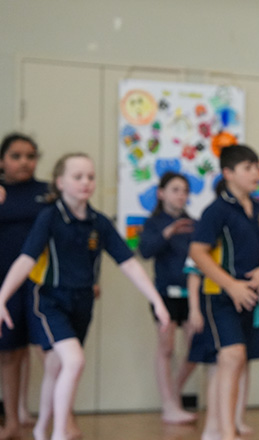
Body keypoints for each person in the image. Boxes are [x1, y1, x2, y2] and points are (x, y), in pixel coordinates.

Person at [0, 152, 170, 440]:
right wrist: (2, 297)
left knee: (56, 366)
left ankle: (42, 429)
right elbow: (26, 259)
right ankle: (60, 433)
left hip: (82, 301)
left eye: (90, 177)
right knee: (74, 361)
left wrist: (155, 298)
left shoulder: (98, 222)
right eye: (77, 177)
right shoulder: (49, 217)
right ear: (60, 182)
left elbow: (128, 263)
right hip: (49, 300)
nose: (85, 182)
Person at [188, 144, 259, 440]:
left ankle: (221, 427)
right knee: (231, 355)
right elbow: (198, 253)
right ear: (228, 173)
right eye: (248, 168)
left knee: (238, 359)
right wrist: (231, 285)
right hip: (220, 296)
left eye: (257, 166)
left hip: (251, 297)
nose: (256, 173)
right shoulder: (216, 210)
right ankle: (226, 432)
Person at [138, 171, 198, 424]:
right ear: (161, 194)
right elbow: (145, 250)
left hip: (190, 296)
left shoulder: (194, 224)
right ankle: (168, 404)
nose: (181, 195)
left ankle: (173, 391)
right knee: (167, 347)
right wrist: (168, 231)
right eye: (175, 189)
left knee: (196, 347)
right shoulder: (154, 224)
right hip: (164, 295)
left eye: (185, 190)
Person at [0, 133, 48, 439]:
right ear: (2, 160)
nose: (24, 162)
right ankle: (13, 422)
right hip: (5, 283)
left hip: (43, 283)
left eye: (30, 156)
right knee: (8, 352)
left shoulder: (47, 192)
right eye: (16, 156)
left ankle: (55, 419)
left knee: (49, 351)